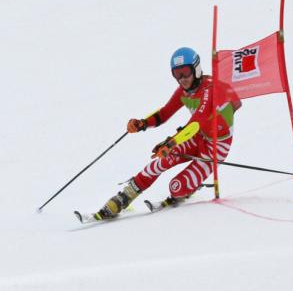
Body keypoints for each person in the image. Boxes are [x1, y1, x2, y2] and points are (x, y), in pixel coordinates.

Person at [93, 47, 240, 220]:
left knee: (176, 188)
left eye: (185, 72)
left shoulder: (210, 89)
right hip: (197, 137)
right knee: (160, 162)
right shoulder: (184, 91)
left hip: (216, 146)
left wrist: (171, 143)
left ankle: (187, 190)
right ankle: (124, 197)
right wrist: (142, 124)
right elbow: (164, 113)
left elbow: (196, 123)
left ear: (197, 69)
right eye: (177, 74)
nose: (182, 79)